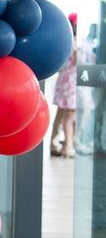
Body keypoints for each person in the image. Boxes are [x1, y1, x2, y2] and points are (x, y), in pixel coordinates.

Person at [50, 12, 78, 159]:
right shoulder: (75, 43)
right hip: (72, 82)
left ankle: (55, 144)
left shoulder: (66, 41)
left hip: (64, 80)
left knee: (62, 114)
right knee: (69, 116)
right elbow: (78, 61)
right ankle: (68, 146)